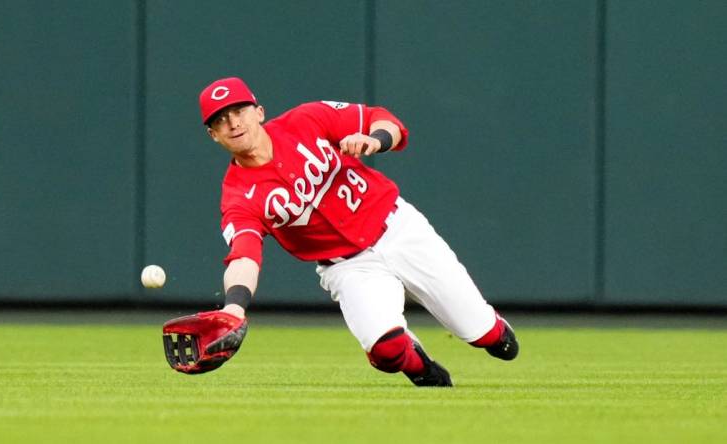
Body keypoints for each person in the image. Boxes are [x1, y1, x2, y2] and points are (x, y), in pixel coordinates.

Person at [198, 77, 518, 387]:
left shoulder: (307, 119)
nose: (233, 123)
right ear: (213, 135)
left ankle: (491, 329)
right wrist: (234, 306)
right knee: (386, 349)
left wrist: (375, 140)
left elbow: (385, 120)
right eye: (221, 120)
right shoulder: (237, 196)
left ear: (259, 112)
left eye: (239, 111)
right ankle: (419, 365)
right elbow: (244, 256)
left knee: (490, 338)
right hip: (349, 267)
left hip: (399, 229)